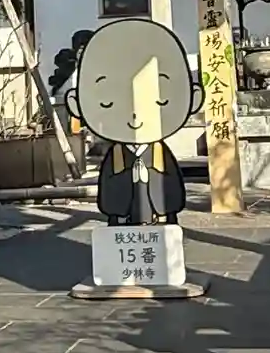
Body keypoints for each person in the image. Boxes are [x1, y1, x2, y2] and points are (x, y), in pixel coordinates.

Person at [64, 17, 196, 225]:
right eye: (107, 102)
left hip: (159, 221)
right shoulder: (116, 156)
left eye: (159, 100)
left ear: (194, 98)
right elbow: (107, 189)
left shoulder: (160, 153)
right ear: (75, 104)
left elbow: (172, 186)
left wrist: (152, 177)